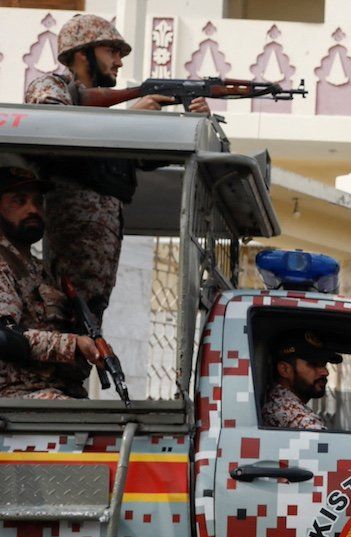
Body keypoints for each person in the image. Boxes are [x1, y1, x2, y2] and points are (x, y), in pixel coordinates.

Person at [25, 14, 208, 323]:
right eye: (112, 51)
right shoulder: (51, 87)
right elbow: (55, 131)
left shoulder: (104, 111)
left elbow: (144, 157)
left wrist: (194, 119)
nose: (119, 62)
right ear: (82, 53)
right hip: (70, 265)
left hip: (97, 268)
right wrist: (129, 117)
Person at [0, 165, 101, 398]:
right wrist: (72, 344)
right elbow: (5, 338)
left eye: (38, 201)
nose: (32, 209)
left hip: (52, 392)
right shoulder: (3, 263)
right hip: (12, 397)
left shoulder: (43, 272)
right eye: (20, 201)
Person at [260, 331, 340, 430]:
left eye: (324, 364)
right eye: (314, 364)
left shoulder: (277, 402)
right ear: (285, 369)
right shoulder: (298, 419)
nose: (325, 372)